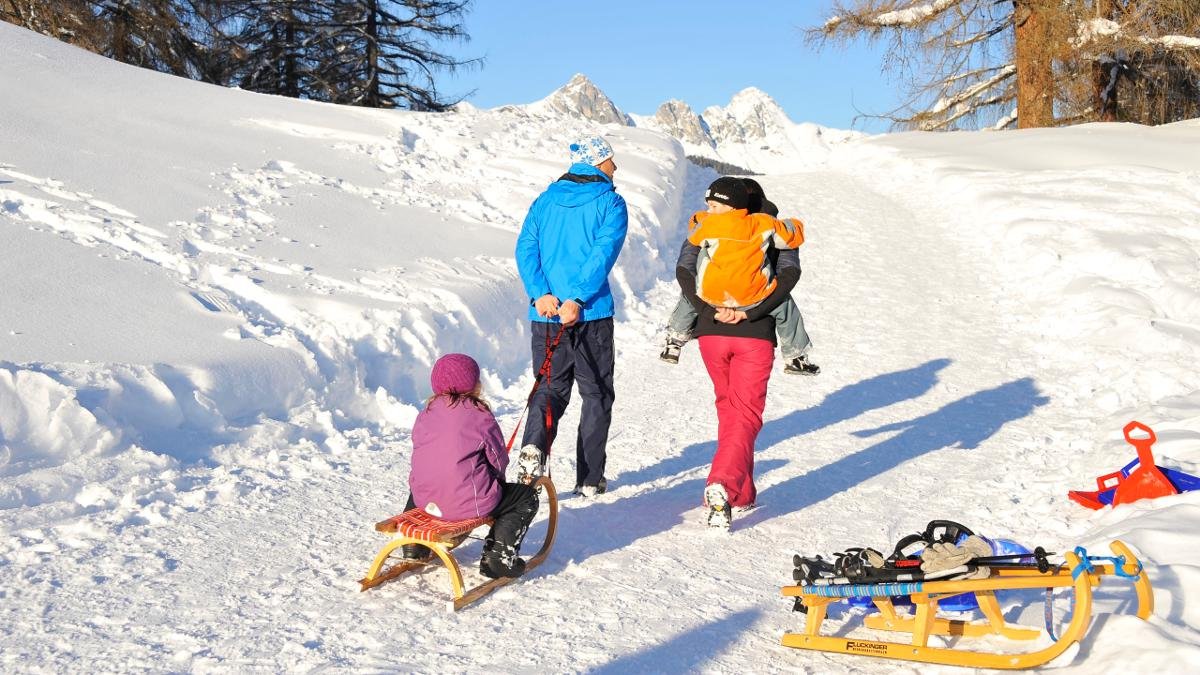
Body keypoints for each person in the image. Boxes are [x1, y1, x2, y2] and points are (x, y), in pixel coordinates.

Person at [676, 177, 803, 529]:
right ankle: (722, 483)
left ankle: (743, 492)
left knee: (729, 408)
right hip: (755, 335)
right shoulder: (772, 227)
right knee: (746, 414)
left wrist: (707, 309)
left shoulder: (709, 225)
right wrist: (750, 312)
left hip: (711, 334)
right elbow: (789, 276)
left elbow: (684, 270)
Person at [513, 135, 629, 498]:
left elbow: (526, 247)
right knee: (595, 393)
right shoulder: (611, 202)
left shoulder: (544, 201)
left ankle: (534, 449)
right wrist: (576, 298)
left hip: (546, 314)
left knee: (549, 388)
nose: (615, 166)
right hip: (589, 313)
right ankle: (590, 479)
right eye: (611, 159)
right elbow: (602, 253)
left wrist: (540, 293)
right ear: (597, 163)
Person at [661, 178, 819, 376]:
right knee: (784, 304)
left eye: (713, 206)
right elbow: (790, 240)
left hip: (711, 297)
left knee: (691, 292)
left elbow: (692, 240)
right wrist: (794, 225)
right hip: (752, 298)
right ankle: (795, 356)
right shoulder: (763, 223)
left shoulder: (707, 222)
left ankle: (674, 339)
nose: (709, 210)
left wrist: (699, 219)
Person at [404, 353, 540, 579]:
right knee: (525, 497)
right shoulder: (479, 415)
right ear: (474, 384)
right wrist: (496, 480)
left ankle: (414, 546)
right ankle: (498, 559)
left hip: (425, 499)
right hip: (466, 502)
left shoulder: (425, 413)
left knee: (429, 477)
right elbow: (498, 459)